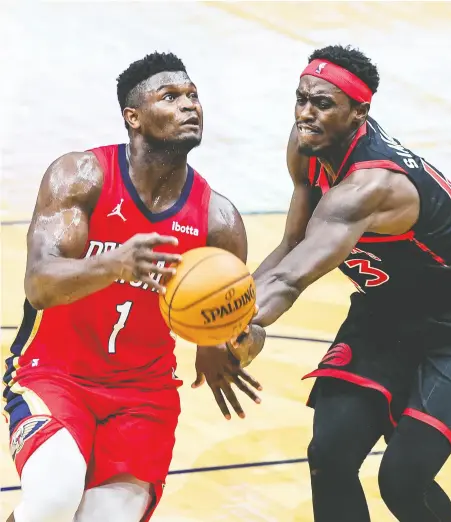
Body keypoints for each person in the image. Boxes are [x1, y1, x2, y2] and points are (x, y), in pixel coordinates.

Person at [198, 45, 451, 521]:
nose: (305, 114)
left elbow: (293, 279)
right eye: (300, 99)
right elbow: (292, 244)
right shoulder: (307, 146)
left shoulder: (371, 187)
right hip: (389, 312)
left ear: (360, 112)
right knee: (330, 456)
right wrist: (232, 309)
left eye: (322, 104)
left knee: (402, 480)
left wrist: (225, 320)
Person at [2, 51, 265, 522]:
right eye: (171, 97)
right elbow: (39, 283)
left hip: (144, 393)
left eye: (194, 96)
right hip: (55, 372)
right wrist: (115, 264)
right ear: (134, 117)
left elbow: (235, 321)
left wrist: (229, 343)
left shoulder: (218, 219)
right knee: (53, 499)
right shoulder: (81, 176)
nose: (190, 106)